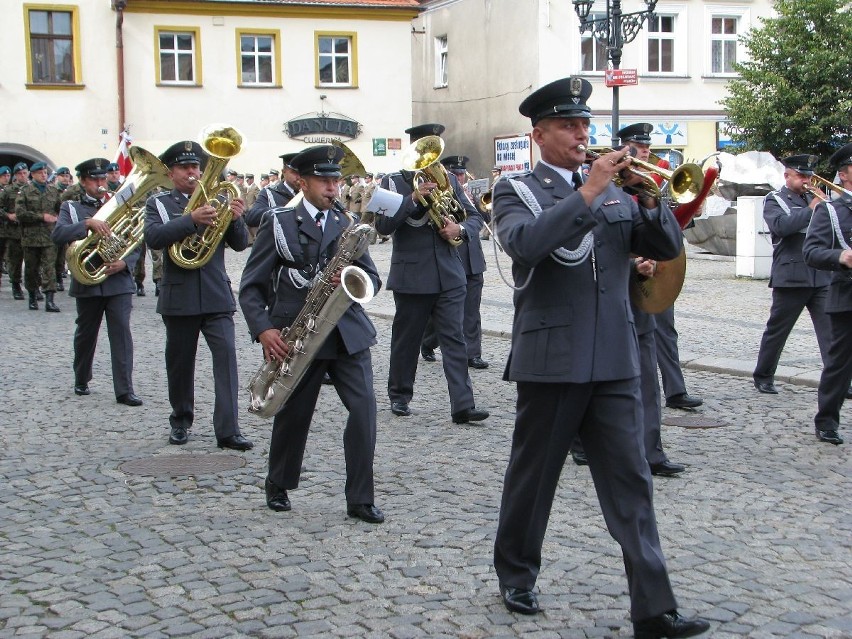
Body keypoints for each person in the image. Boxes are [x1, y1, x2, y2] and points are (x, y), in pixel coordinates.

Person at [491, 77, 710, 639]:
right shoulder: (517, 189)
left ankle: (654, 608)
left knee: (632, 481)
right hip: (551, 356)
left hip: (615, 354)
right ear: (539, 135)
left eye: (584, 125)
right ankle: (516, 572)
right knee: (534, 476)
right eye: (568, 126)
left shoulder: (618, 189)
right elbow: (527, 246)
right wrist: (587, 191)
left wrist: (654, 197)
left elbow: (662, 248)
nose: (580, 134)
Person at [239, 145, 384, 523]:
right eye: (324, 180)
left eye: (336, 180)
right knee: (294, 414)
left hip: (347, 332)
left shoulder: (348, 223)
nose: (333, 187)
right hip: (297, 334)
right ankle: (279, 482)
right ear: (301, 181)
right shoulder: (278, 221)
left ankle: (360, 497)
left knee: (365, 410)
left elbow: (374, 278)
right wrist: (264, 329)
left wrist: (357, 278)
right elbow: (251, 286)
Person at [375, 124, 489, 424]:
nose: (430, 161)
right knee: (407, 339)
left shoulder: (449, 178)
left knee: (455, 339)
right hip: (411, 276)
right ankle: (399, 395)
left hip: (450, 274)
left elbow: (476, 216)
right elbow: (382, 227)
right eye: (423, 151)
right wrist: (412, 199)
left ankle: (463, 405)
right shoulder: (392, 182)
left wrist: (459, 229)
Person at [144, 140, 253, 451]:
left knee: (227, 360)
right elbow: (153, 237)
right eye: (185, 168)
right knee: (180, 364)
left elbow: (239, 244)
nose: (192, 172)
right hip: (179, 296)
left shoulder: (218, 198)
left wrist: (235, 219)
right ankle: (180, 419)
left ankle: (228, 430)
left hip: (217, 294)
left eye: (196, 167)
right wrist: (189, 221)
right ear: (171, 172)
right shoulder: (160, 204)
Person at [617, 123, 703, 410]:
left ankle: (675, 390)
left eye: (648, 147)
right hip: (629, 266)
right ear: (626, 147)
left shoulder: (652, 180)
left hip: (659, 263)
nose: (647, 151)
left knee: (665, 328)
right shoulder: (613, 182)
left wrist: (691, 211)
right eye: (641, 147)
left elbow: (669, 222)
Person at [51, 158, 143, 405]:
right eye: (94, 179)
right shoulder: (71, 207)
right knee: (86, 333)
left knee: (121, 334)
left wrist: (126, 263)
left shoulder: (121, 203)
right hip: (88, 279)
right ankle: (81, 377)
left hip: (118, 281)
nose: (100, 184)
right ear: (83, 181)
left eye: (103, 179)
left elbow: (135, 237)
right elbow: (58, 234)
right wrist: (86, 224)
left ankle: (124, 389)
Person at [753, 154, 831, 394]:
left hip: (820, 275)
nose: (808, 181)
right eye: (802, 176)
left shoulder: (815, 198)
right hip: (792, 275)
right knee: (778, 330)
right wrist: (811, 209)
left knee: (831, 333)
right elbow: (781, 227)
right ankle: (764, 375)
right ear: (787, 176)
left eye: (809, 176)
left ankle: (837, 381)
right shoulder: (775, 199)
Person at [802, 142, 852, 446]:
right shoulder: (831, 210)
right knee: (840, 364)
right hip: (847, 295)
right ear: (844, 174)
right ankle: (827, 420)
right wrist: (841, 258)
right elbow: (812, 252)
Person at [421, 155, 489, 369]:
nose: (460, 177)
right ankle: (428, 341)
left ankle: (472, 353)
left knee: (471, 310)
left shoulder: (468, 194)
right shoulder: (439, 193)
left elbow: (481, 220)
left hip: (473, 258)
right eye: (455, 174)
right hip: (453, 257)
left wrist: (478, 203)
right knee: (447, 313)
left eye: (462, 173)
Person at [16, 161, 61, 312]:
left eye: (45, 173)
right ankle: (32, 296)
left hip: (49, 236)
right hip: (31, 237)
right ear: (33, 174)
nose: (44, 175)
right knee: (31, 269)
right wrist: (41, 217)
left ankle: (50, 300)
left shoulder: (53, 191)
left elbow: (60, 210)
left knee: (49, 268)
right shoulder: (25, 191)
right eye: (40, 173)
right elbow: (20, 214)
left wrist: (57, 219)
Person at [245, 153, 300, 228]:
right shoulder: (269, 193)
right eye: (295, 172)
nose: (299, 177)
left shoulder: (308, 193)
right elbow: (251, 218)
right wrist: (282, 210)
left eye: (302, 173)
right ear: (284, 172)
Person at [0, 163, 27, 301]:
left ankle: (34, 288)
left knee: (34, 262)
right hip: (12, 232)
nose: (23, 175)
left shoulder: (32, 190)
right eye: (20, 173)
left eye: (25, 172)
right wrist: (8, 216)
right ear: (16, 176)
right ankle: (16, 286)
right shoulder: (8, 191)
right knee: (15, 260)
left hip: (31, 231)